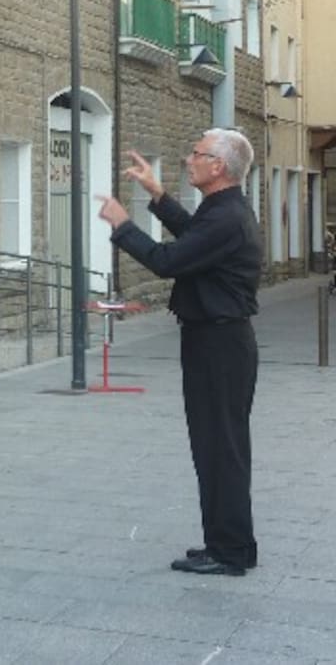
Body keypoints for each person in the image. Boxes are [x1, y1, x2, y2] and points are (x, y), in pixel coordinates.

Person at [99, 130, 262, 577]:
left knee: (219, 447)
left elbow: (169, 260)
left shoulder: (227, 216)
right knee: (216, 445)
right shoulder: (222, 211)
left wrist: (121, 224)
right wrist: (157, 195)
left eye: (197, 153)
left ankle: (229, 551)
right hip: (217, 339)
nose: (189, 158)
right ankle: (228, 543)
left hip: (220, 343)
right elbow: (194, 237)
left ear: (219, 168)